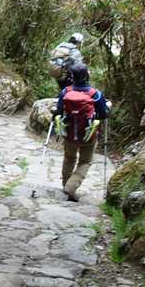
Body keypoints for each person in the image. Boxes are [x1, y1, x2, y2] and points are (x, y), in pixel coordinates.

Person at [57, 63, 109, 202]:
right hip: (88, 135)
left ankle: (66, 185)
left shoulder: (65, 92)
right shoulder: (96, 94)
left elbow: (58, 110)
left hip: (69, 133)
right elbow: (103, 114)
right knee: (85, 161)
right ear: (87, 75)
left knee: (69, 158)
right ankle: (71, 187)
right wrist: (106, 109)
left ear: (72, 76)